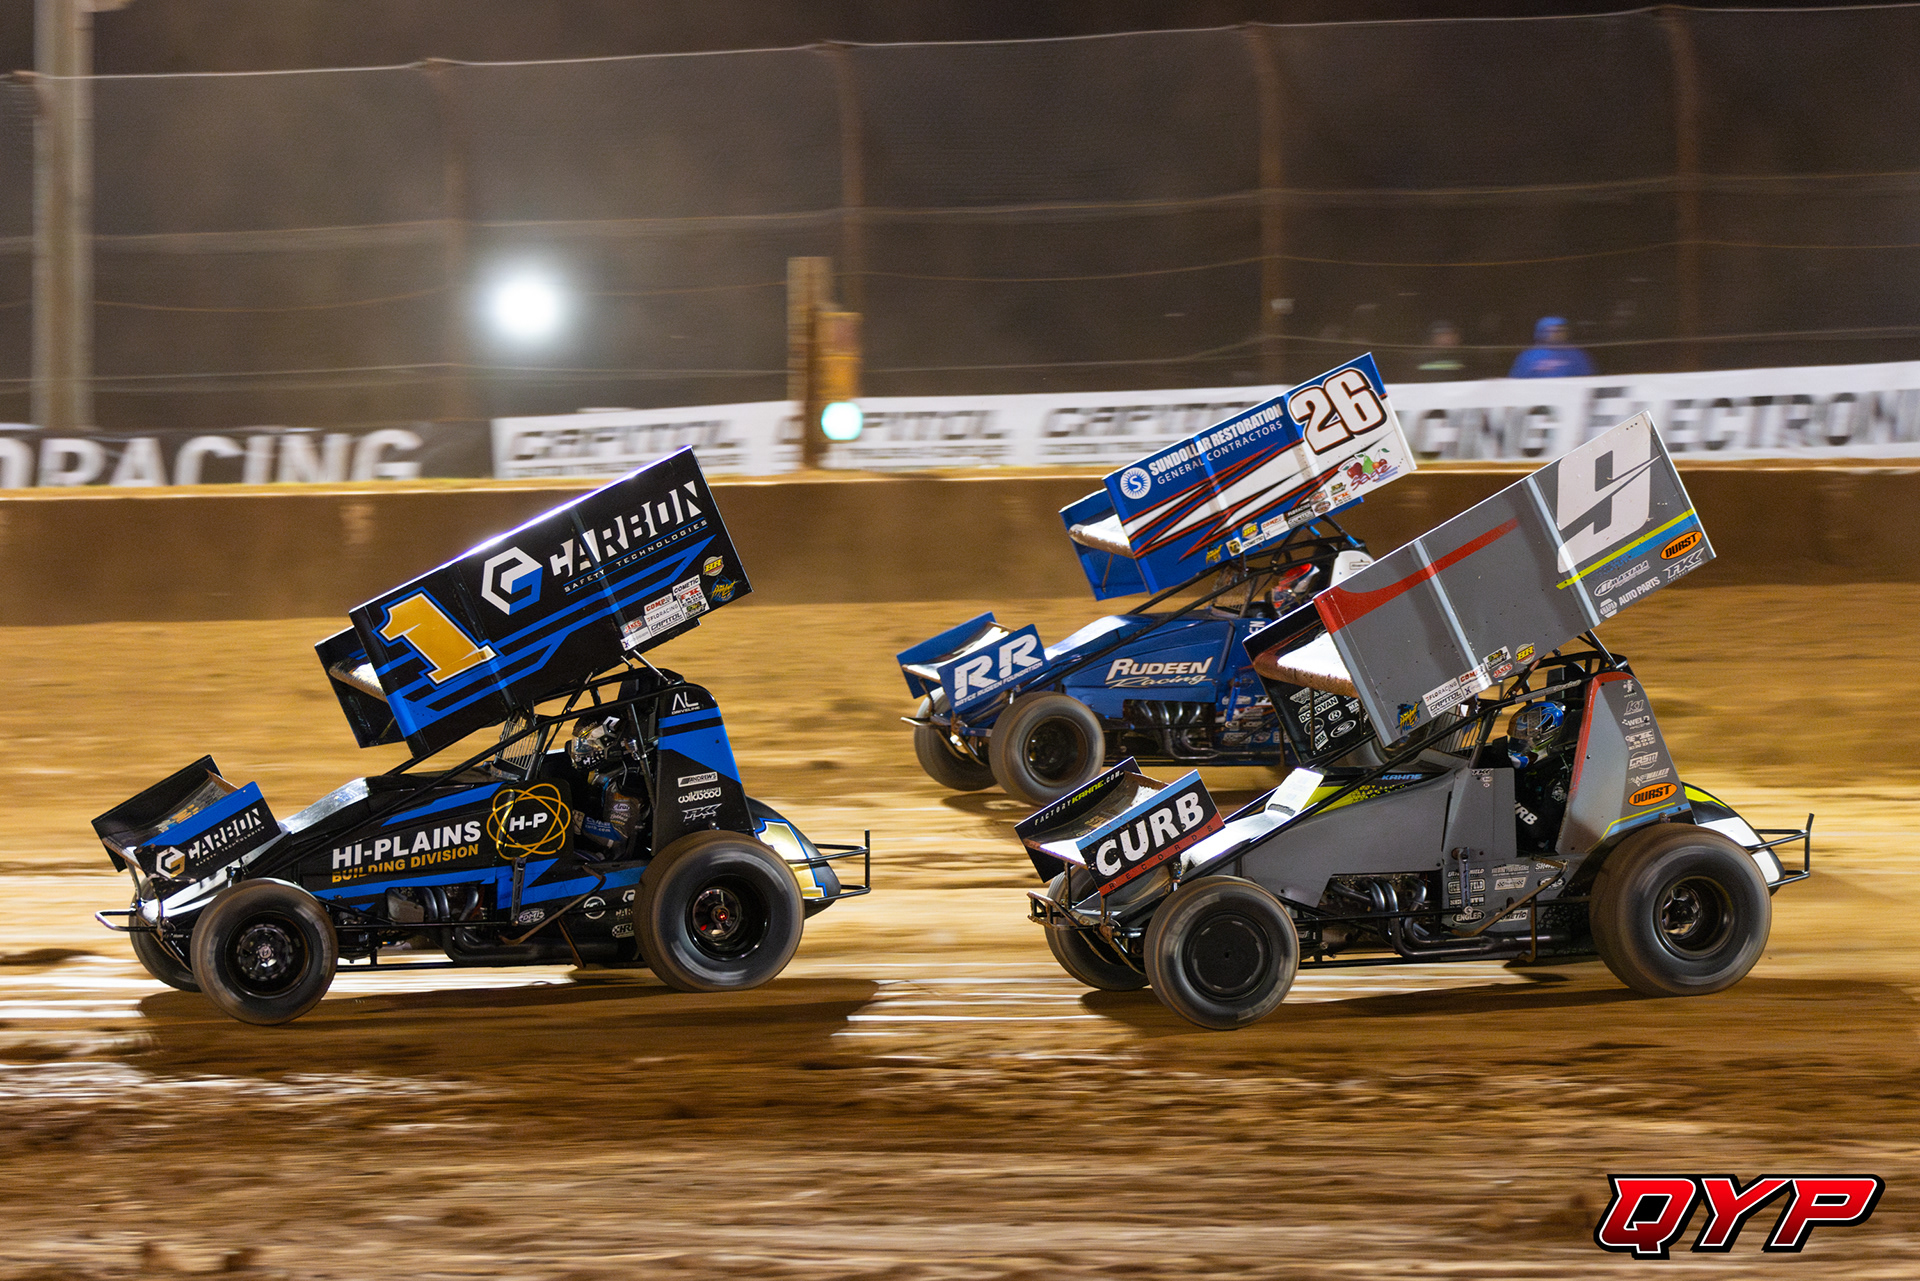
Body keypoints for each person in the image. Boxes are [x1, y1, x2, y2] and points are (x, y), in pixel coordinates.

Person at [1508, 316, 1594, 378]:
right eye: (1552, 330)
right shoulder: (1528, 356)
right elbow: (1516, 380)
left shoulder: (1578, 355)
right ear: (1542, 332)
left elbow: (1588, 378)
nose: (1557, 334)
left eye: (1561, 331)